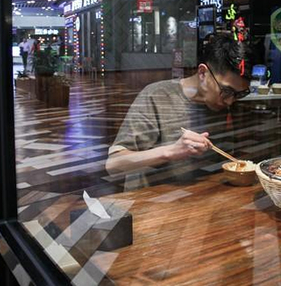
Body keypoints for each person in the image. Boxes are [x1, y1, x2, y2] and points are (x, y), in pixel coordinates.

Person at [105, 33, 252, 190]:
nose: (230, 101)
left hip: (206, 196)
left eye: (240, 94)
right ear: (203, 73)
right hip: (156, 200)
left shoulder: (228, 104)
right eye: (226, 91)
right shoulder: (158, 96)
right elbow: (114, 164)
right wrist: (170, 152)